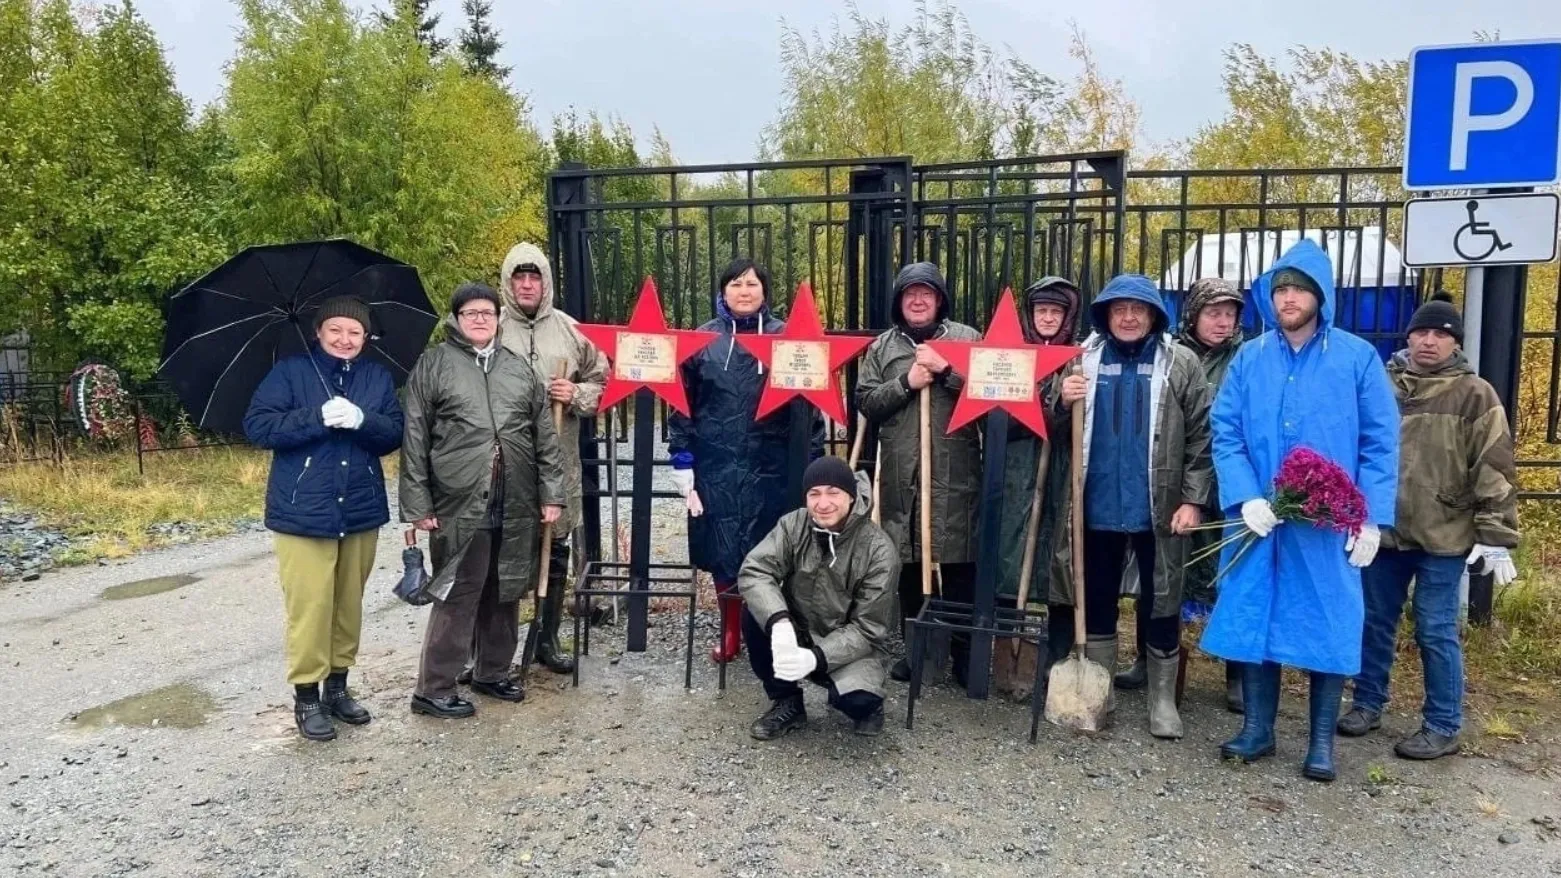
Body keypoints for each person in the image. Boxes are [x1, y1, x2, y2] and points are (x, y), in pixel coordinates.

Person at [1200, 239, 1400, 782]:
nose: (1288, 298)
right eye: (1280, 288)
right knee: (1257, 615)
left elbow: (1381, 443)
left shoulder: (1356, 359)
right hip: (1262, 520)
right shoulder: (1250, 358)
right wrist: (1245, 496)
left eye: (1299, 289)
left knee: (1327, 623)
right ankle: (1258, 729)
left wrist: (1372, 517)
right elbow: (1227, 431)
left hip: (1328, 523)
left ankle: (1320, 744)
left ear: (1321, 296)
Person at [1337, 292, 1519, 760]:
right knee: (1374, 622)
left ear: (1454, 343)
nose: (1429, 341)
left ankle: (1443, 723)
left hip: (1444, 533)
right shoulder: (1381, 384)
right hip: (1385, 531)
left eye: (1442, 334)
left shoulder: (1475, 394)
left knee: (1435, 629)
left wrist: (1495, 534)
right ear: (1409, 335)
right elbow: (1354, 446)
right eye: (1422, 331)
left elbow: (1494, 463)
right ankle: (1367, 703)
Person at [1051, 273, 1213, 739]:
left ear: (1153, 316)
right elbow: (1051, 427)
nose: (1127, 317)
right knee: (1097, 595)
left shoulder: (1179, 363)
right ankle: (1099, 692)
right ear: (1105, 315)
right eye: (1118, 309)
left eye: (1137, 309)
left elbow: (1202, 438)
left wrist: (1192, 500)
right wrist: (1062, 402)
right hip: (1097, 501)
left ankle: (1162, 700)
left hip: (1158, 506)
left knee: (1162, 598)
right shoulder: (1082, 359)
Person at [400, 283, 566, 719]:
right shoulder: (434, 365)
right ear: (456, 319)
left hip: (515, 499)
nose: (479, 319)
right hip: (458, 501)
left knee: (506, 586)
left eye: (487, 313)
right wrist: (418, 505)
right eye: (470, 312)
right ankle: (433, 687)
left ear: (498, 318)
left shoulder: (517, 369)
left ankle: (491, 672)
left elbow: (544, 436)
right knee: (459, 590)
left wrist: (552, 493)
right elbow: (415, 436)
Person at [243, 296, 405, 742]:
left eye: (355, 332)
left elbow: (393, 433)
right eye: (336, 329)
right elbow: (259, 427)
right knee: (310, 606)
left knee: (347, 604)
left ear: (365, 337)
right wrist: (315, 417)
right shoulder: (290, 373)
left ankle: (338, 688)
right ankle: (307, 698)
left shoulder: (375, 377)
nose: (345, 339)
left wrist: (361, 419)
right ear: (319, 332)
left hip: (360, 508)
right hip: (303, 511)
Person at [667, 258, 824, 664]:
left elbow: (811, 401)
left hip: (774, 464)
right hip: (716, 463)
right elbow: (681, 403)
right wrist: (682, 459)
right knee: (723, 550)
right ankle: (731, 630)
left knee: (774, 551)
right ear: (723, 291)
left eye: (752, 283)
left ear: (764, 291)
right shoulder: (700, 342)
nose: (744, 291)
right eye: (735, 283)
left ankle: (775, 633)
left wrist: (814, 462)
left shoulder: (787, 338)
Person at [855, 262, 982, 685]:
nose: (918, 300)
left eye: (927, 292)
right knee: (909, 560)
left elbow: (988, 391)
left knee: (959, 562)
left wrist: (947, 372)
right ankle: (920, 650)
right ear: (899, 301)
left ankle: (964, 653)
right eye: (910, 293)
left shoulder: (966, 340)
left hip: (955, 470)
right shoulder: (882, 347)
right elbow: (867, 402)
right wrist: (907, 382)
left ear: (940, 298)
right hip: (900, 471)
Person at [496, 242, 608, 675]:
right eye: (519, 277)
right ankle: (492, 648)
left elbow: (604, 380)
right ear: (508, 281)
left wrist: (576, 394)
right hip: (504, 461)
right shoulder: (491, 325)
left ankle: (547, 637)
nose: (527, 284)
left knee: (555, 545)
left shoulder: (571, 330)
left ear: (546, 281)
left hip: (557, 458)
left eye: (534, 276)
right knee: (501, 550)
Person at [1140, 277, 1248, 713]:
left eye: (1230, 314)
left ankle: (1238, 672)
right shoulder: (1169, 356)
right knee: (1162, 577)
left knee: (1233, 578)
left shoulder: (1246, 359)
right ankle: (1151, 660)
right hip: (1174, 483)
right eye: (1213, 313)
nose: (1222, 323)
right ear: (1193, 315)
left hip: (1232, 489)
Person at [739, 457, 900, 739]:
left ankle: (868, 706)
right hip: (800, 629)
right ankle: (786, 700)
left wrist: (816, 657)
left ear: (851, 497)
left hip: (853, 647)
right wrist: (779, 621)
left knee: (857, 699)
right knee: (754, 613)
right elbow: (755, 570)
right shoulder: (793, 525)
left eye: (833, 492)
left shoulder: (880, 551)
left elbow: (869, 628)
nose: (823, 503)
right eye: (814, 494)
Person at [996, 276, 1082, 685]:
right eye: (1040, 311)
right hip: (1015, 469)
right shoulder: (1011, 355)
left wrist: (1063, 406)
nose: (1047, 318)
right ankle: (1006, 650)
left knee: (1060, 556)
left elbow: (1078, 427)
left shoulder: (1078, 359)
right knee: (1009, 553)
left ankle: (1054, 655)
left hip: (1061, 468)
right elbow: (1000, 417)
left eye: (1055, 312)